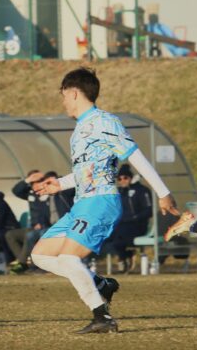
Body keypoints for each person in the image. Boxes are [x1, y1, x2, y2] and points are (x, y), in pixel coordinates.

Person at [31, 67, 179, 334]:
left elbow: (134, 156)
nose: (63, 101)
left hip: (100, 202)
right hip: (82, 203)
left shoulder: (104, 122)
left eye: (64, 95)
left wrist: (163, 192)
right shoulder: (80, 130)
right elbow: (90, 170)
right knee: (40, 255)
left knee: (67, 258)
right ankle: (100, 285)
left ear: (74, 93)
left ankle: (103, 317)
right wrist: (60, 184)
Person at [9, 170, 74, 273]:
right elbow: (16, 191)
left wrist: (57, 181)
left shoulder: (53, 193)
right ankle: (25, 263)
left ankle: (29, 264)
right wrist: (28, 179)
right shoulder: (32, 194)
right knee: (16, 235)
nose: (35, 185)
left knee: (35, 235)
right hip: (36, 227)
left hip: (49, 227)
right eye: (32, 183)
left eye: (38, 182)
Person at [112, 164, 152, 273]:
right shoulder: (119, 192)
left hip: (138, 225)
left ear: (130, 178)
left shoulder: (142, 190)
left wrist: (135, 217)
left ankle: (123, 259)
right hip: (122, 224)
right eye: (119, 179)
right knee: (109, 237)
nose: (122, 181)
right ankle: (127, 256)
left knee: (119, 239)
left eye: (125, 178)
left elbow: (149, 210)